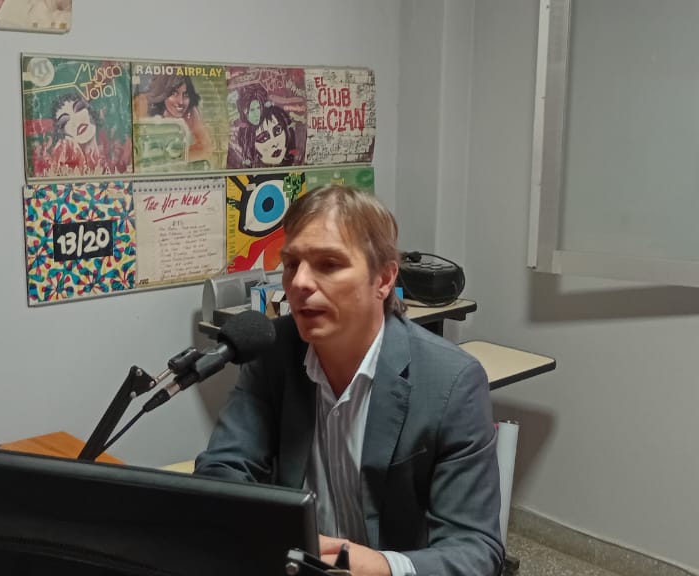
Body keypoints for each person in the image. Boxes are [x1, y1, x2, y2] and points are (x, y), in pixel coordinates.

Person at [195, 185, 504, 576]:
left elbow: (476, 550)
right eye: (291, 264)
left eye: (328, 264)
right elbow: (222, 470)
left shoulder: (453, 382)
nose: (299, 283)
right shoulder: (273, 353)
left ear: (384, 278)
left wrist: (383, 567)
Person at [141, 74, 212, 165]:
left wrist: (174, 156)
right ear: (162, 93)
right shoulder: (143, 103)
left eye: (185, 94)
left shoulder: (190, 112)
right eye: (174, 93)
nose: (181, 101)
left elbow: (205, 148)